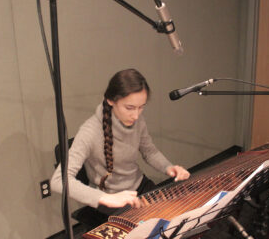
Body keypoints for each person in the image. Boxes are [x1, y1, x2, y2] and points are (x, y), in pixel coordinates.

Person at [50, 68, 190, 226]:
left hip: (140, 187)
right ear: (110, 100)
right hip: (110, 199)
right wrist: (107, 198)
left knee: (175, 223)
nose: (136, 115)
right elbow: (58, 181)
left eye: (141, 107)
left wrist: (169, 168)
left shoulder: (138, 121)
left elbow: (149, 152)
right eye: (129, 108)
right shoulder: (90, 132)